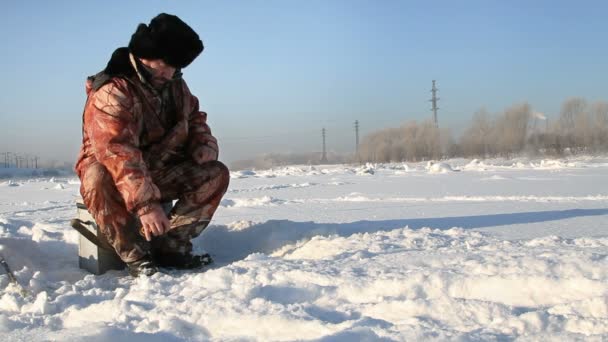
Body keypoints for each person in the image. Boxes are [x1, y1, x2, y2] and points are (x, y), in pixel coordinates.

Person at [75, 13, 229, 277]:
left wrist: (203, 144)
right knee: (97, 176)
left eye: (176, 68)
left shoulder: (174, 83)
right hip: (116, 175)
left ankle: (171, 247)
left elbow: (194, 117)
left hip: (156, 169)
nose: (170, 73)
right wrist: (146, 206)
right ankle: (136, 255)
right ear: (146, 55)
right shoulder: (113, 91)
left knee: (215, 173)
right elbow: (118, 152)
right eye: (165, 65)